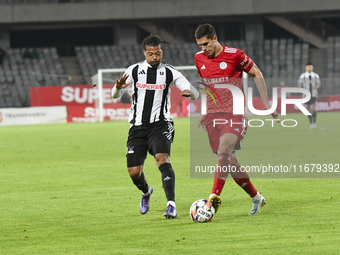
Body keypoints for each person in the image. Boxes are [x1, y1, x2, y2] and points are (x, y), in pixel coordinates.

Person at [194, 23, 279, 215]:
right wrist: (203, 110)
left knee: (224, 150)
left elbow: (256, 72)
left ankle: (213, 200)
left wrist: (266, 103)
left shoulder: (235, 55)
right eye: (200, 45)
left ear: (215, 38)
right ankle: (256, 197)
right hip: (213, 118)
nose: (203, 49)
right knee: (231, 163)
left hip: (235, 113)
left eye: (206, 44)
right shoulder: (199, 58)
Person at [112, 34, 199, 219]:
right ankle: (146, 192)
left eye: (158, 53)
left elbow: (195, 93)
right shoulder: (134, 70)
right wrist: (118, 88)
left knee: (162, 158)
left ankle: (171, 204)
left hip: (161, 124)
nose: (154, 57)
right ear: (144, 52)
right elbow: (114, 95)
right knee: (134, 172)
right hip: (137, 127)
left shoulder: (170, 72)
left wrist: (190, 93)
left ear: (161, 52)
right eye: (151, 54)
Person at [298, 63, 321, 129]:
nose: (309, 68)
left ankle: (314, 122)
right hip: (306, 94)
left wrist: (317, 86)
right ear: (306, 68)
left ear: (312, 68)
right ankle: (311, 123)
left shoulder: (315, 75)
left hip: (313, 94)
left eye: (310, 67)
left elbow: (318, 83)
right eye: (308, 67)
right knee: (308, 109)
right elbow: (299, 83)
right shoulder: (303, 75)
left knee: (313, 108)